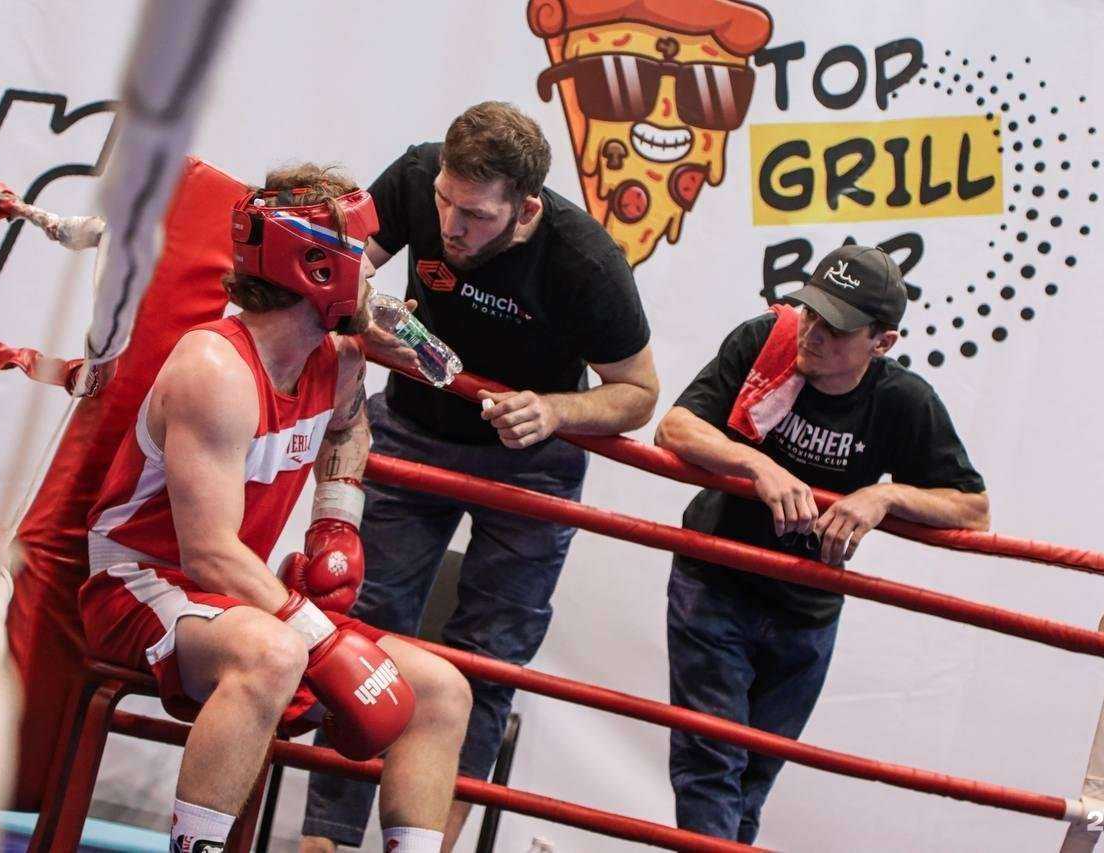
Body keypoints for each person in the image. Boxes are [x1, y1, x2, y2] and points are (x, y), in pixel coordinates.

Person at [79, 164, 472, 853]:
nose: (373, 273)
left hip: (232, 595)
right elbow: (207, 553)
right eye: (359, 252)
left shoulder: (340, 357)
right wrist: (320, 632)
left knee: (443, 690)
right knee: (274, 651)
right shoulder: (216, 370)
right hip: (139, 584)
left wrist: (335, 520)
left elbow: (349, 429)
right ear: (318, 268)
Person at [302, 101, 659, 852]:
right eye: (444, 201)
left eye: (476, 215)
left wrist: (557, 411)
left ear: (526, 207)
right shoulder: (413, 174)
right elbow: (338, 274)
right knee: (355, 631)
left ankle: (429, 842)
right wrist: (364, 311)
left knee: (488, 660)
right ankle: (323, 841)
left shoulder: (585, 259)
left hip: (531, 465)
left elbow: (638, 391)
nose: (452, 224)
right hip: (412, 428)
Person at [653, 245, 990, 844]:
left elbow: (973, 509)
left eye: (836, 328)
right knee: (712, 767)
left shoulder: (902, 400)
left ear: (881, 343)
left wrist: (884, 498)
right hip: (716, 581)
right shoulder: (768, 340)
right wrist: (755, 464)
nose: (811, 333)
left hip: (807, 610)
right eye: (810, 311)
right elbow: (675, 426)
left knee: (752, 780)